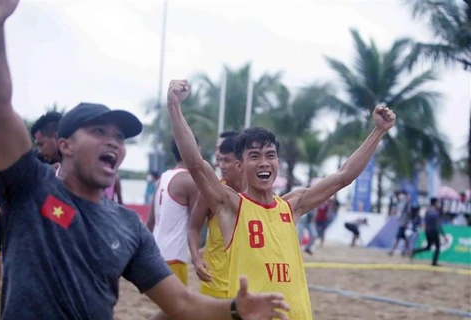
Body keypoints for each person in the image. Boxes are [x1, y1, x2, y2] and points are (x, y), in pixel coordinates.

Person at [0, 3, 290, 319]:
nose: (113, 141)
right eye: (99, 131)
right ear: (65, 145)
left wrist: (234, 309)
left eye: (120, 138)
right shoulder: (31, 186)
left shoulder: (127, 226)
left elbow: (181, 304)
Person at [166, 79, 396, 319]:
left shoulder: (291, 205)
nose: (264, 162)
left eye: (270, 155)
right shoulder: (232, 206)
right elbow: (195, 164)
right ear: (241, 165)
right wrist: (174, 106)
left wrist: (378, 131)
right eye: (254, 156)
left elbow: (343, 176)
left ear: (278, 163)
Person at [188, 133, 246, 299]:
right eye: (220, 160)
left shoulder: (258, 195)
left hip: (248, 284)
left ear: (241, 163)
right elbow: (193, 227)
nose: (221, 165)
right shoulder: (211, 192)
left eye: (226, 160)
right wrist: (196, 259)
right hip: (215, 283)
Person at [146, 139, 200, 286]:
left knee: (168, 306)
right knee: (177, 307)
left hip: (156, 253)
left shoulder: (163, 177)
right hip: (174, 256)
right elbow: (199, 221)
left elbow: (150, 222)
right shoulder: (189, 181)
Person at [411, 197, 448, 266]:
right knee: (437, 247)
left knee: (428, 247)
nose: (438, 204)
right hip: (433, 231)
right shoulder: (435, 212)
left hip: (427, 231)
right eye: (437, 203)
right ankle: (434, 262)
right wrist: (444, 235)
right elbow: (438, 225)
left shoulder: (427, 211)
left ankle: (415, 251)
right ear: (435, 203)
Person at [388, 192, 411, 256]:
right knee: (404, 238)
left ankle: (392, 251)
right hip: (401, 222)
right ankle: (409, 251)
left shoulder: (406, 203)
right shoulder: (401, 203)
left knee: (398, 237)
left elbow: (408, 214)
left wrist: (406, 223)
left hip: (403, 223)